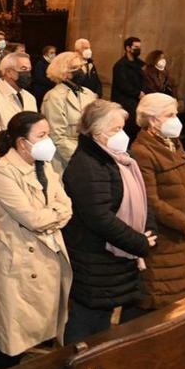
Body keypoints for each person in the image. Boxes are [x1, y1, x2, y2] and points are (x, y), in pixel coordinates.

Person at [0, 111, 72, 369]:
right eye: (42, 135)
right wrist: (56, 214)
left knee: (42, 321)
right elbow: (32, 218)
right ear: (22, 142)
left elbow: (67, 205)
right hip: (18, 259)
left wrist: (55, 213)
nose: (48, 141)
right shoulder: (3, 173)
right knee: (12, 330)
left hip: (48, 251)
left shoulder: (45, 165)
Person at [62, 100, 157, 342]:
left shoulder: (119, 157)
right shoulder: (87, 165)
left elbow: (142, 198)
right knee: (86, 321)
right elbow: (99, 217)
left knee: (102, 319)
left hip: (114, 257)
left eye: (122, 128)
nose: (122, 135)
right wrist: (138, 241)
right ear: (96, 131)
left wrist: (149, 231)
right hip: (95, 257)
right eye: (115, 130)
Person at [132, 94, 185, 308]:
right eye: (170, 115)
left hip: (181, 231)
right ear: (153, 120)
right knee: (160, 290)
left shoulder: (172, 143)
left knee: (179, 289)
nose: (176, 119)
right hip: (165, 233)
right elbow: (151, 200)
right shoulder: (142, 151)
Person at [41, 51, 99, 173]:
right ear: (65, 74)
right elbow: (57, 137)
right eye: (75, 68)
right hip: (65, 158)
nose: (81, 70)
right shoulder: (54, 97)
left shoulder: (88, 93)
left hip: (89, 151)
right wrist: (79, 159)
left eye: (81, 66)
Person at [111, 37, 145, 136]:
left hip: (137, 100)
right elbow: (123, 84)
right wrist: (138, 93)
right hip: (125, 101)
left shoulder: (138, 64)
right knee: (128, 127)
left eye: (139, 47)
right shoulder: (120, 65)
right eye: (135, 47)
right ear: (127, 48)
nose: (138, 49)